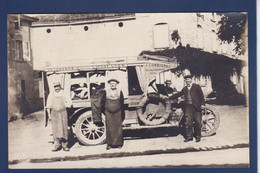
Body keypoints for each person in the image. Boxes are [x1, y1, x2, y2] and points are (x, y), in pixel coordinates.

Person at [168, 74, 205, 142]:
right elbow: (179, 94)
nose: (187, 80)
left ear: (191, 80)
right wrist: (169, 97)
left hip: (197, 107)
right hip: (188, 107)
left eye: (189, 79)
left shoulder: (197, 87)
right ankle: (189, 137)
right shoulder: (184, 89)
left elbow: (201, 96)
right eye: (186, 79)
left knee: (198, 122)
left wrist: (202, 104)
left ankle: (198, 136)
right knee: (188, 122)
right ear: (185, 81)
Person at [46, 82, 72, 151]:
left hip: (63, 113)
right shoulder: (51, 95)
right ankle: (57, 145)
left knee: (64, 129)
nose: (56, 88)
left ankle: (65, 145)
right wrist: (49, 115)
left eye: (57, 86)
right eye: (55, 87)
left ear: (60, 86)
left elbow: (69, 103)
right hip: (54, 114)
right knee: (55, 129)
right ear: (53, 87)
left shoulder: (64, 93)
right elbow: (48, 106)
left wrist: (66, 105)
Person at [102, 79, 125, 150]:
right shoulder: (106, 92)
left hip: (117, 113)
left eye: (114, 84)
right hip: (108, 113)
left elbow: (122, 102)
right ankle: (109, 144)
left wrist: (121, 112)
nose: (112, 85)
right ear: (109, 84)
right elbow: (102, 102)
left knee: (118, 128)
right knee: (109, 128)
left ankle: (119, 144)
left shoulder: (119, 92)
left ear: (116, 85)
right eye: (111, 83)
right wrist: (105, 111)